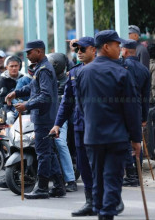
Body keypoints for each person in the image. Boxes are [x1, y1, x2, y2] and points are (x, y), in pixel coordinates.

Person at [75, 31, 141, 220]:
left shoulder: (83, 73)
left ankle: (101, 212)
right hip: (116, 137)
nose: (120, 48)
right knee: (112, 179)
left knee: (98, 180)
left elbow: (81, 107)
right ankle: (106, 215)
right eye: (116, 45)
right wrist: (136, 139)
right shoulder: (122, 73)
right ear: (105, 46)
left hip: (93, 136)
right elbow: (131, 110)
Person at [5, 40, 64, 199]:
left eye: (29, 52)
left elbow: (44, 96)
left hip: (43, 117)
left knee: (43, 153)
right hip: (44, 116)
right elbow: (32, 87)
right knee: (49, 152)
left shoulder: (44, 69)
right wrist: (16, 93)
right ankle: (58, 186)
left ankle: (42, 188)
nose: (27, 55)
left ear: (39, 51)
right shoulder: (40, 68)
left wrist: (26, 105)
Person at [51, 37, 97, 216]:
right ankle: (90, 202)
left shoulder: (104, 69)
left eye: (82, 49)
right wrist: (57, 124)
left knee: (102, 166)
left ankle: (110, 198)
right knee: (84, 166)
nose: (79, 52)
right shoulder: (74, 73)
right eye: (77, 49)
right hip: (80, 125)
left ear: (94, 50)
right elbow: (66, 103)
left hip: (100, 127)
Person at [120, 39, 150, 188]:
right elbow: (146, 96)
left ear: (125, 51)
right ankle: (137, 174)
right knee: (137, 140)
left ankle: (131, 174)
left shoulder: (121, 66)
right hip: (137, 109)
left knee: (126, 141)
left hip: (124, 108)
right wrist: (145, 116)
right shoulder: (144, 69)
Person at [47, 52, 77, 193]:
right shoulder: (44, 76)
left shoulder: (68, 80)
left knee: (60, 143)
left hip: (59, 119)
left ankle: (70, 179)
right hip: (43, 117)